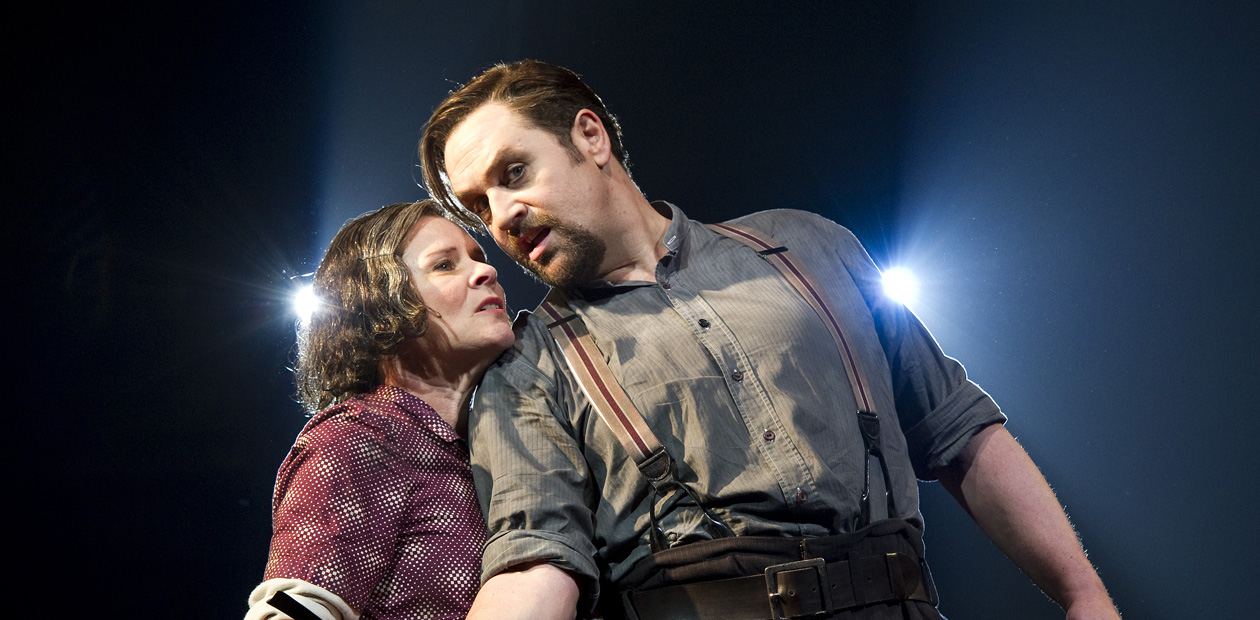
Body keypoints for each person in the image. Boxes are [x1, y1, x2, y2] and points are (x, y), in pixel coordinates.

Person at [420, 60, 1120, 620]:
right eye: (479, 205)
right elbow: (537, 560)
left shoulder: (806, 244)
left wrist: (1084, 594)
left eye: (515, 173)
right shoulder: (525, 365)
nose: (503, 215)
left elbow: (958, 431)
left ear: (590, 137)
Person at [244, 200, 514, 620]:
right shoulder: (358, 438)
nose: (487, 271)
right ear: (380, 301)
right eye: (444, 265)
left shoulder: (484, 447)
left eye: (477, 258)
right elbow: (290, 611)